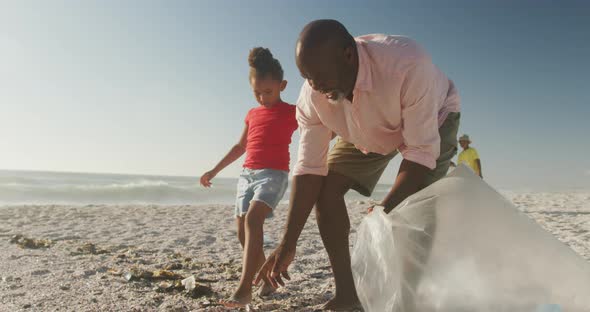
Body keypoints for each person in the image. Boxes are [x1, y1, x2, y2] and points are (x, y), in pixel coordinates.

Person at [254, 20, 461, 310]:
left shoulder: (407, 63)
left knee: (413, 214)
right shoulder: (313, 95)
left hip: (433, 120)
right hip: (364, 130)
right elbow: (309, 169)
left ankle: (411, 300)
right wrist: (289, 241)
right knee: (326, 193)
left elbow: (419, 152)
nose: (313, 85)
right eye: (306, 76)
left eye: (319, 75)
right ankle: (348, 295)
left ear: (348, 56)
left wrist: (384, 210)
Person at [199, 47, 298, 308]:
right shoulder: (252, 114)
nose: (263, 98)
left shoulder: (292, 112)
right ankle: (266, 278)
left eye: (268, 92)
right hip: (247, 175)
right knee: (243, 233)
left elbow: (319, 123)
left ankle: (244, 289)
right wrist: (214, 170)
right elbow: (240, 146)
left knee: (254, 220)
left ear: (282, 85)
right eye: (257, 92)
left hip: (273, 175)